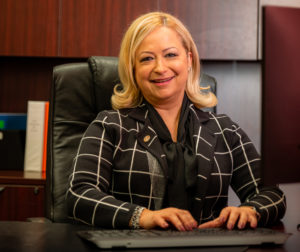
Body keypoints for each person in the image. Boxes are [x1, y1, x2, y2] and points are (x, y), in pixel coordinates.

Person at [67, 12, 286, 231]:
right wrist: (142, 217)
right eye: (146, 58)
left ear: (189, 60)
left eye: (170, 55)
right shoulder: (110, 126)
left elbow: (271, 194)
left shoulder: (224, 130)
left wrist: (250, 210)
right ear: (133, 69)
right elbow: (79, 195)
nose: (160, 68)